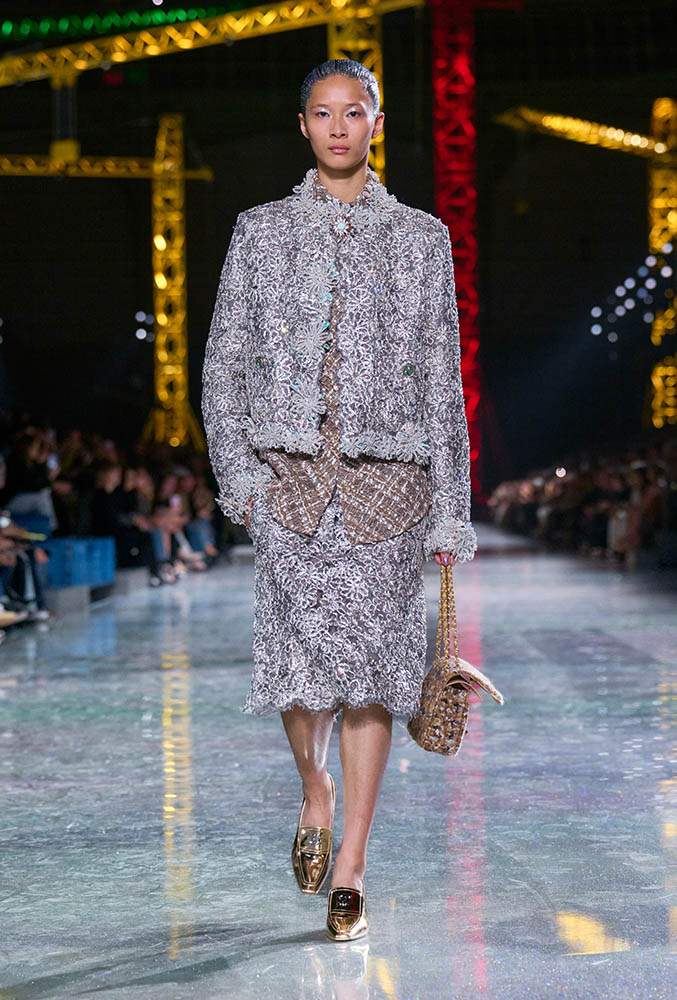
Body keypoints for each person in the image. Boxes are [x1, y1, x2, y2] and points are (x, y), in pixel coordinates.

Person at [201, 58, 477, 941]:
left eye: (352, 112)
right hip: (286, 484)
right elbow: (222, 363)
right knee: (298, 665)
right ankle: (313, 787)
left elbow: (442, 379)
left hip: (389, 487)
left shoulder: (420, 237)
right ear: (302, 125)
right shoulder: (260, 231)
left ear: (375, 123)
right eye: (321, 113)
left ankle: (351, 864)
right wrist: (240, 478)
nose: (336, 127)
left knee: (373, 675)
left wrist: (450, 506)